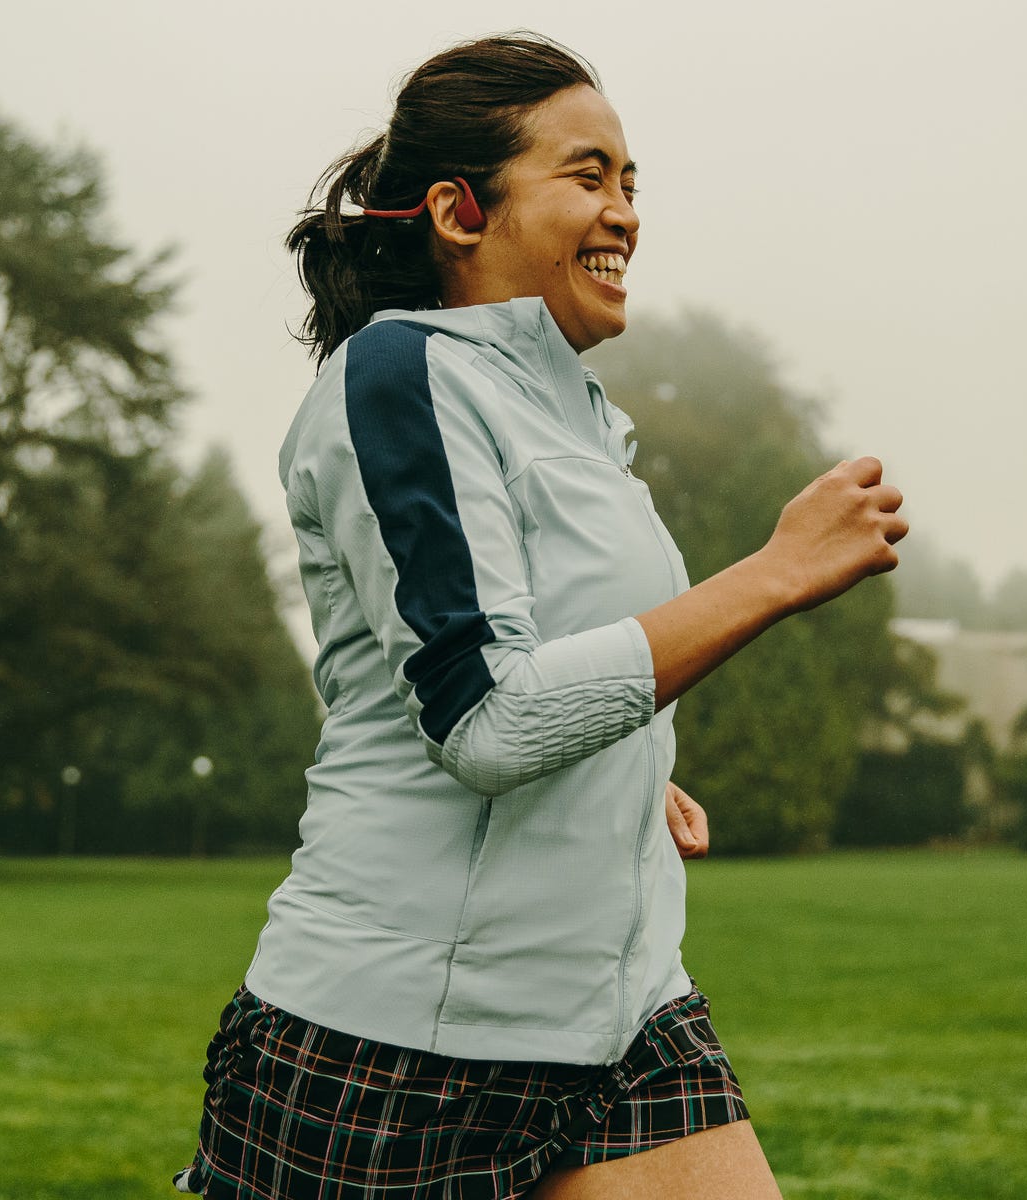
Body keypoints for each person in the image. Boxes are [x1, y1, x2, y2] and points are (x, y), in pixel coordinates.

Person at [174, 32, 906, 1200]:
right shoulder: (401, 377)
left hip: (623, 1017)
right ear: (460, 213)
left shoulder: (581, 417)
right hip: (400, 1050)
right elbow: (489, 721)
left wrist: (622, 760)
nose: (622, 212)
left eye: (630, 182)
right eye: (586, 175)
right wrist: (775, 572)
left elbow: (551, 669)